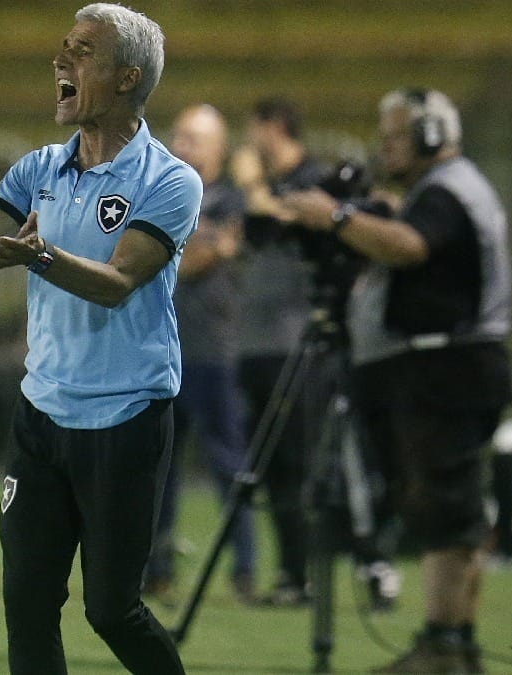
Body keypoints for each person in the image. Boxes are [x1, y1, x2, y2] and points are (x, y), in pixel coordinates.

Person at [0, 4, 198, 672]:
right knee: (27, 606)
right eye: (62, 47)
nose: (60, 59)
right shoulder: (38, 170)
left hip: (126, 415)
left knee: (112, 610)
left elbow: (117, 281)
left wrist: (41, 256)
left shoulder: (169, 181)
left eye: (81, 50)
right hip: (42, 415)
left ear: (124, 77)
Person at [280, 87, 512, 674]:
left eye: (394, 136)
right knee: (449, 510)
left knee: (446, 510)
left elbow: (409, 248)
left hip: (448, 372)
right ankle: (451, 643)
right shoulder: (449, 189)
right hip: (450, 371)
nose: (385, 148)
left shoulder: (446, 192)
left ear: (432, 136)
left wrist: (334, 218)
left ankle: (443, 645)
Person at [144, 103, 255, 606]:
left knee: (229, 465)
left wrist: (171, 255)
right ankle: (156, 570)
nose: (182, 145)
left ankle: (245, 570)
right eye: (180, 134)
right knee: (158, 470)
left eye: (194, 137)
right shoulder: (164, 194)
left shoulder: (232, 200)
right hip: (162, 353)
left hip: (214, 353)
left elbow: (176, 262)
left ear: (218, 148)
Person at [229, 97, 325, 606]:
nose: (249, 144)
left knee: (299, 462)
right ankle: (292, 575)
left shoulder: (312, 180)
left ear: (273, 128)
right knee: (272, 469)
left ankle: (320, 572)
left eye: (253, 131)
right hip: (256, 345)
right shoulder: (263, 191)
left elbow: (287, 218)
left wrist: (249, 184)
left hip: (296, 344)